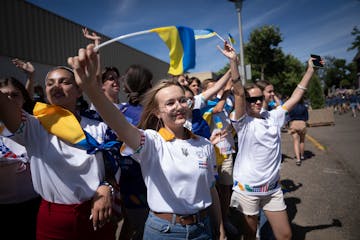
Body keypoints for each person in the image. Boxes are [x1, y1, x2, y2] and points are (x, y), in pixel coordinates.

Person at [67, 43, 226, 239]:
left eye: (182, 100)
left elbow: (211, 189)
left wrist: (219, 228)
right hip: (164, 232)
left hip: (203, 229)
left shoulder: (205, 144)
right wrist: (91, 88)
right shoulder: (151, 142)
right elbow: (119, 124)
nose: (179, 106)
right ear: (158, 112)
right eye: (170, 103)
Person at [0, 66, 118, 240]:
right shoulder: (33, 126)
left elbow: (111, 166)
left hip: (96, 214)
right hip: (54, 221)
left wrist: (106, 188)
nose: (56, 86)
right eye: (50, 83)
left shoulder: (98, 126)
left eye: (64, 82)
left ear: (79, 91)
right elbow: (4, 105)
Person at [222, 38, 322, 239]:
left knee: (285, 235)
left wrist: (310, 69)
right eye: (252, 99)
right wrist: (234, 61)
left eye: (260, 98)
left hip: (273, 189)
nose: (257, 102)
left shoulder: (274, 116)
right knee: (249, 236)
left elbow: (295, 96)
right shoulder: (242, 121)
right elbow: (239, 92)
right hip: (247, 190)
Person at [0, 76, 41, 240]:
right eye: (5, 95)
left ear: (24, 98)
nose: (9, 99)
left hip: (35, 204)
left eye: (15, 95)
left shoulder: (37, 125)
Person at [117, 64, 153, 240]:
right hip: (147, 183)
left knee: (132, 226)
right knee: (142, 231)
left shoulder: (118, 112)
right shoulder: (153, 113)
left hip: (127, 181)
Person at [288, 97, 309, 166]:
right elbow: (307, 118)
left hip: (294, 124)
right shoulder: (304, 107)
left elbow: (289, 117)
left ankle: (298, 159)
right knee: (302, 140)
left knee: (295, 141)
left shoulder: (292, 107)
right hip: (302, 123)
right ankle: (302, 155)